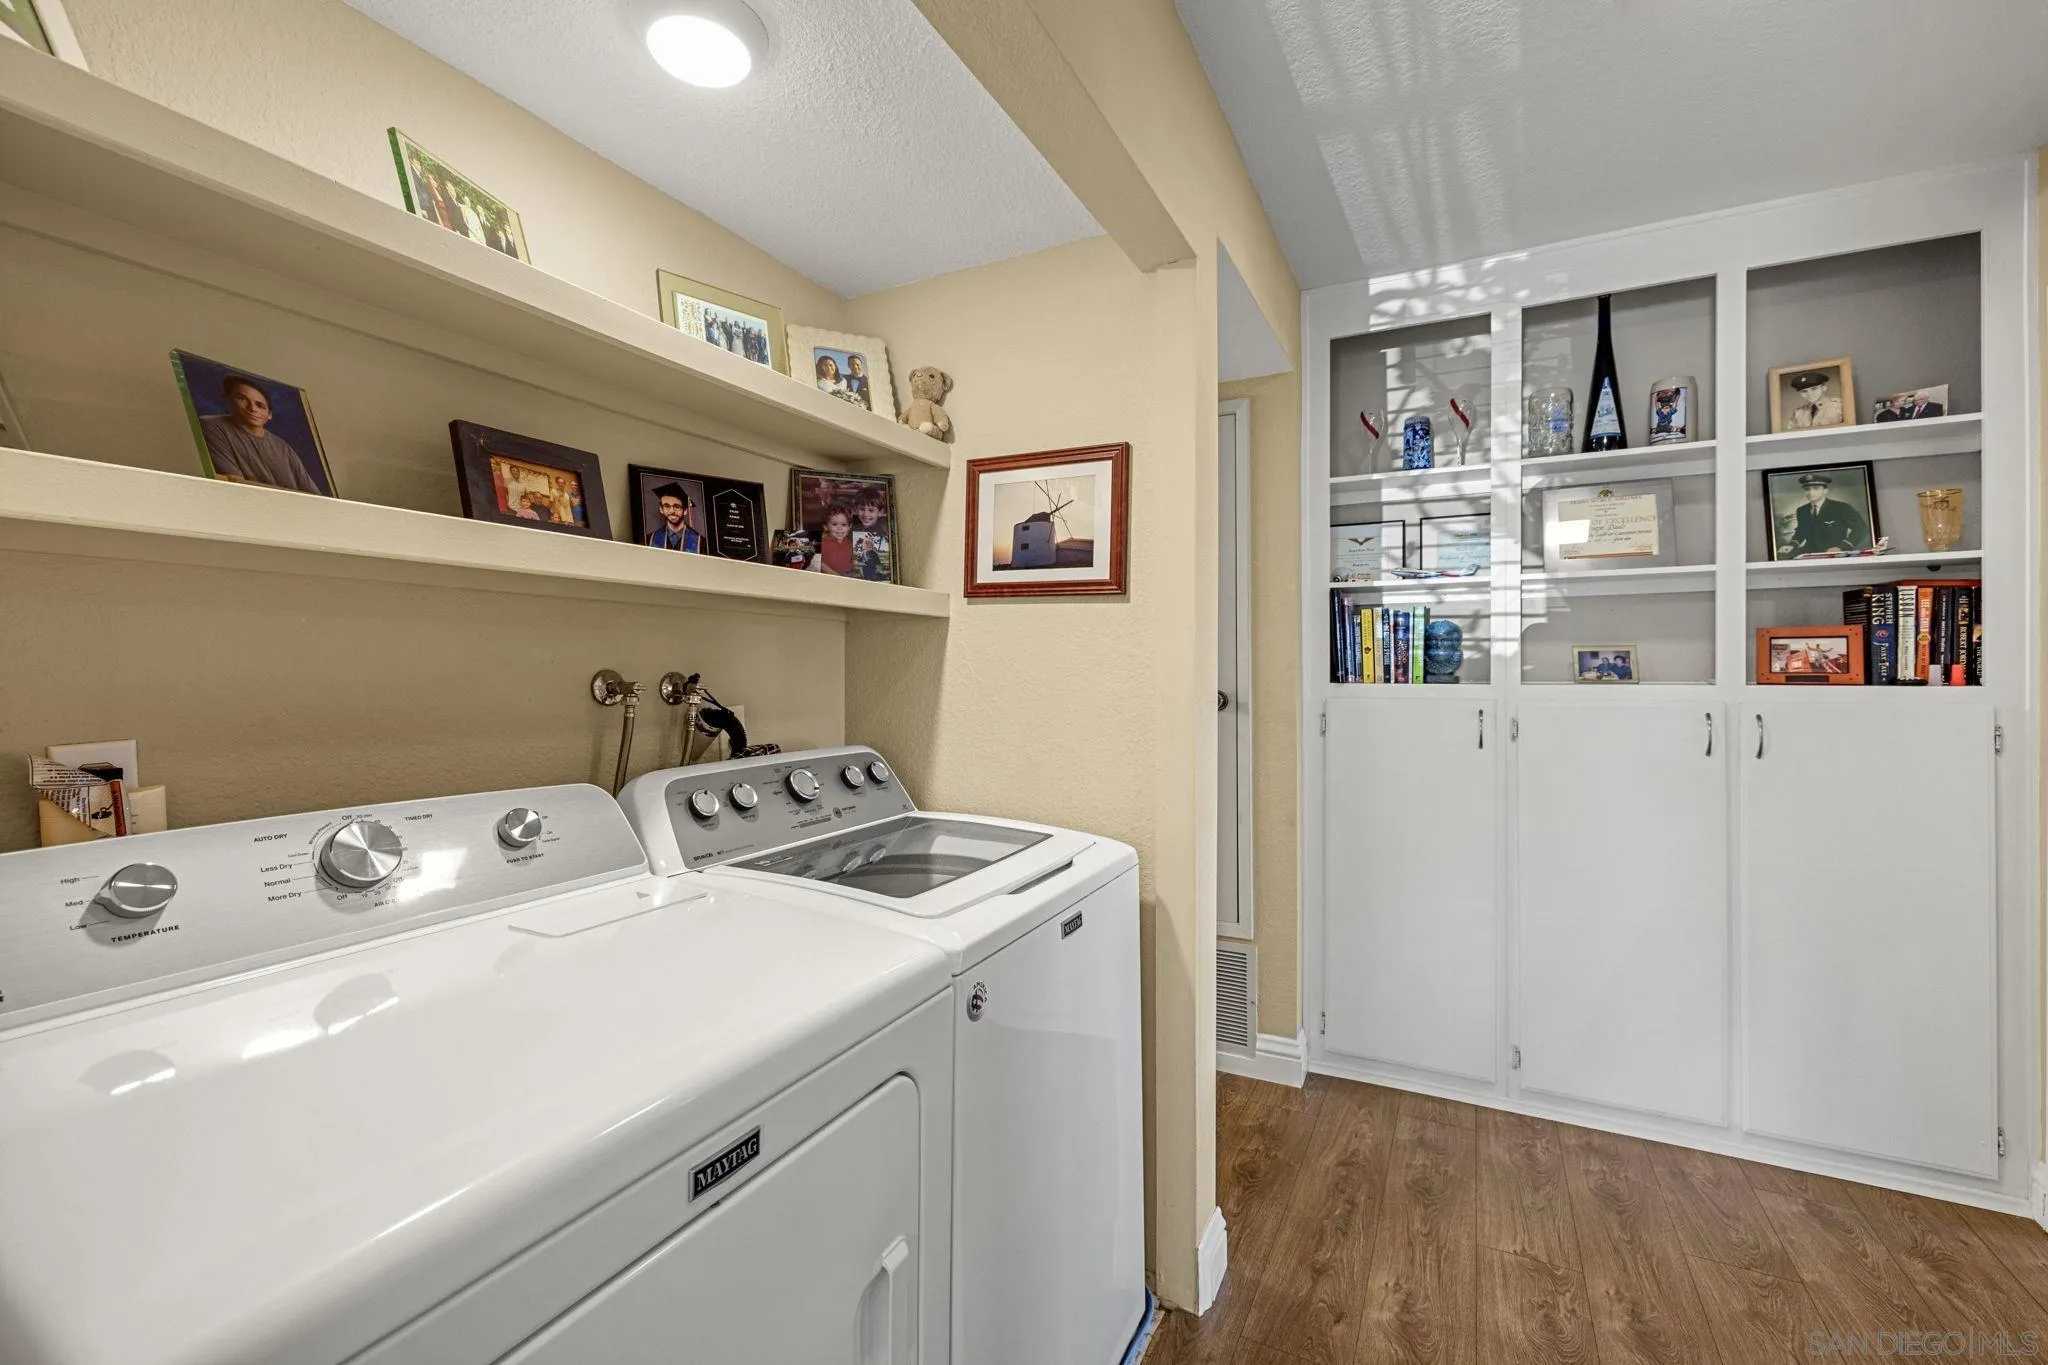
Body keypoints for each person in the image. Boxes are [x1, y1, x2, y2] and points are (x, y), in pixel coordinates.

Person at [200, 374, 324, 493]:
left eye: (260, 406)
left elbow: (314, 495)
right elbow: (234, 484)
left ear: (269, 415)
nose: (252, 408)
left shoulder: (283, 447)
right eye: (242, 398)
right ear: (228, 398)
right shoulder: (212, 425)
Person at [1781, 471, 1870, 557]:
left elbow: (1861, 528)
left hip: (1836, 552)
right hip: (1809, 552)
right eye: (1807, 489)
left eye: (1815, 488)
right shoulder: (1802, 510)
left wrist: (1842, 547)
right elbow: (1801, 531)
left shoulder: (1841, 507)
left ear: (1825, 490)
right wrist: (1792, 544)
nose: (1810, 492)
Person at [646, 482, 701, 551]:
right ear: (661, 509)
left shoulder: (700, 541)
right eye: (667, 506)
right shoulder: (650, 539)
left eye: (677, 506)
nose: (672, 511)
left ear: (685, 511)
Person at [809, 505, 857, 575]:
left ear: (849, 527)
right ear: (826, 527)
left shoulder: (851, 543)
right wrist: (837, 576)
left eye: (844, 524)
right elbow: (820, 565)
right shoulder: (822, 542)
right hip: (829, 577)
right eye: (834, 524)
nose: (840, 528)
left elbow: (854, 562)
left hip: (849, 576)